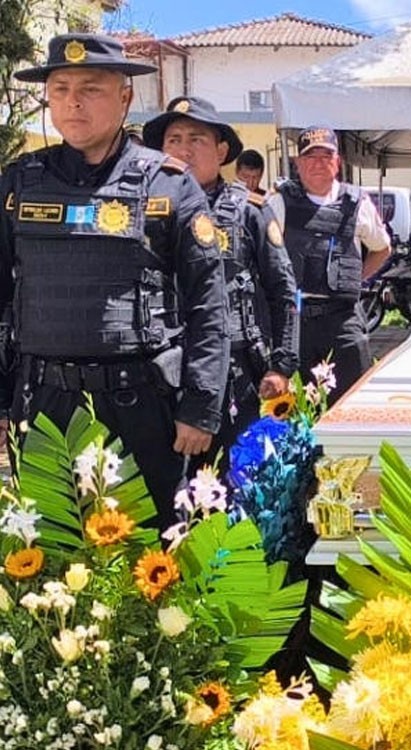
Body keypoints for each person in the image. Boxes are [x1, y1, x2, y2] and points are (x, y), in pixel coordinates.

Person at [0, 33, 229, 529]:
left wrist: (200, 406)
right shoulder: (19, 183)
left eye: (91, 88)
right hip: (42, 402)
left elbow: (208, 305)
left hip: (142, 406)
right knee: (48, 556)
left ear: (125, 96)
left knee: (150, 560)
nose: (73, 102)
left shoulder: (169, 183)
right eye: (59, 89)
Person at [143, 97, 297, 467]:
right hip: (161, 369)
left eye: (196, 139)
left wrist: (282, 366)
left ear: (222, 150)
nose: (184, 149)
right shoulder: (143, 210)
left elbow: (284, 291)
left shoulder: (249, 211)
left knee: (236, 481)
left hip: (236, 373)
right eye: (174, 140)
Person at [267, 126, 391, 401]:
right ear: (298, 163)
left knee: (352, 404)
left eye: (327, 156)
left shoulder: (357, 203)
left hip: (343, 318)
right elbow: (266, 258)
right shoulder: (279, 203)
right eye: (311, 156)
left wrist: (355, 281)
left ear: (338, 163)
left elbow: (382, 249)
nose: (319, 163)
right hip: (295, 321)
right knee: (297, 408)